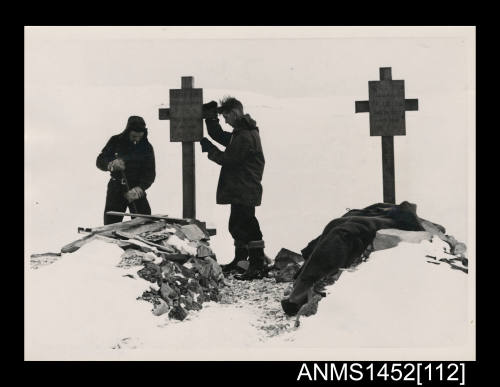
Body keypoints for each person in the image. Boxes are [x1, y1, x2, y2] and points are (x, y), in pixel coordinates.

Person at [200, 97, 268, 280]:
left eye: (225, 116)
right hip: (243, 187)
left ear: (234, 114)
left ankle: (256, 264)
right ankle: (242, 261)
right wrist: (211, 118)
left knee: (247, 225)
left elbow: (228, 159)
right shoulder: (243, 132)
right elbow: (221, 136)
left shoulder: (245, 136)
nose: (225, 120)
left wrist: (210, 150)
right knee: (238, 224)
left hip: (245, 187)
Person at [96, 115, 156, 225]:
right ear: (128, 131)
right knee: (111, 226)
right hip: (116, 189)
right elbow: (99, 161)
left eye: (139, 136)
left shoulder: (147, 147)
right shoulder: (115, 141)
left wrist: (140, 188)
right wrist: (111, 164)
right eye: (134, 136)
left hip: (136, 190)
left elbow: (150, 173)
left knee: (145, 223)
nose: (136, 139)